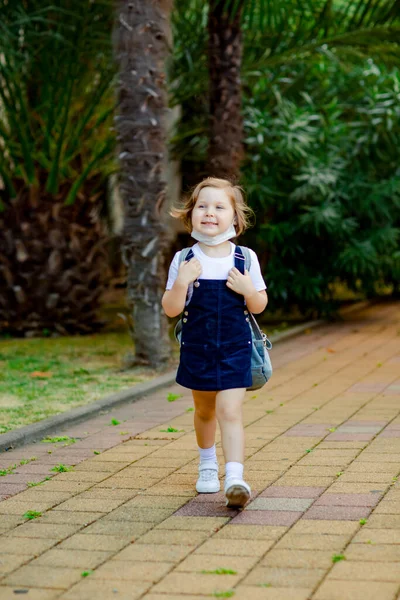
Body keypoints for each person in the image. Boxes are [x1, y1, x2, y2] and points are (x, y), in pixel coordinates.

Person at [162, 177, 268, 508]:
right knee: (205, 410)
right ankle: (208, 465)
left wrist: (248, 290)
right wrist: (181, 282)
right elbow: (171, 309)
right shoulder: (184, 259)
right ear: (190, 215)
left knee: (230, 410)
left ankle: (235, 477)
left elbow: (259, 305)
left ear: (235, 218)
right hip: (198, 348)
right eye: (202, 206)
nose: (210, 212)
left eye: (220, 207)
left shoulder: (244, 258)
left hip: (236, 349)